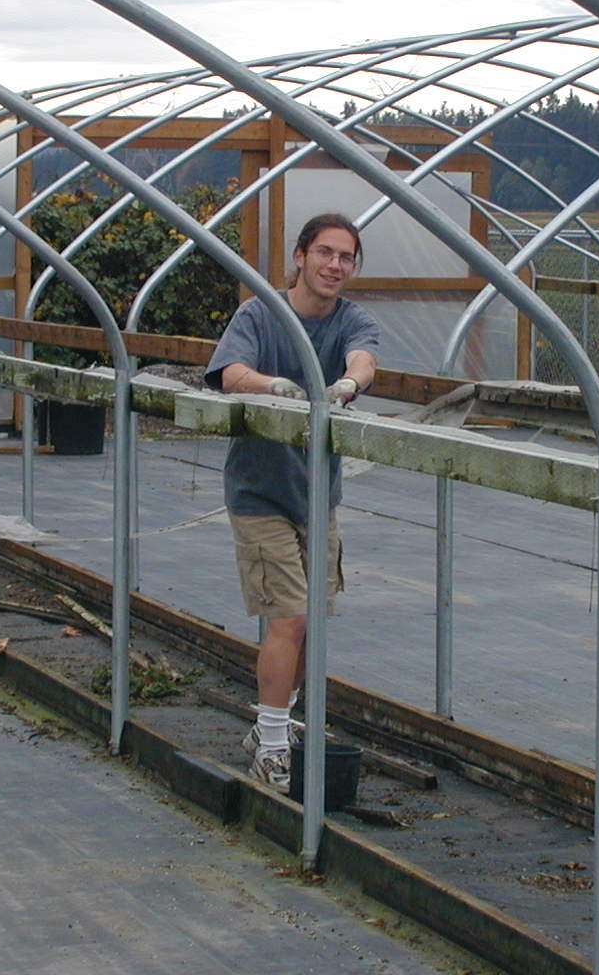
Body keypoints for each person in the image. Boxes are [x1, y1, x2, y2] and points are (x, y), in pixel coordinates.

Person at [204, 212, 379, 792]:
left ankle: (273, 725)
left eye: (346, 258)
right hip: (261, 493)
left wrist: (348, 384)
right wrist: (272, 385)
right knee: (291, 618)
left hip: (318, 495)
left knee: (311, 625)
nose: (335, 266)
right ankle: (274, 746)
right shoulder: (262, 313)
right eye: (325, 253)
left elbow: (363, 358)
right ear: (300, 256)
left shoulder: (351, 319)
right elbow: (230, 372)